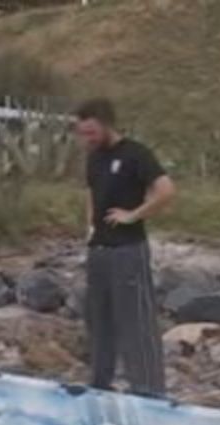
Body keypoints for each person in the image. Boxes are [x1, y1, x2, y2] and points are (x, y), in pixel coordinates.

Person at [75, 98, 176, 397]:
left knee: (136, 323)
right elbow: (91, 193)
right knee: (98, 320)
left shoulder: (135, 154)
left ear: (107, 125)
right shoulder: (94, 158)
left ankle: (148, 391)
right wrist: (90, 227)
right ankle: (100, 384)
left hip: (127, 250)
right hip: (99, 250)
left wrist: (132, 215)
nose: (86, 139)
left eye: (91, 132)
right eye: (82, 133)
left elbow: (166, 190)